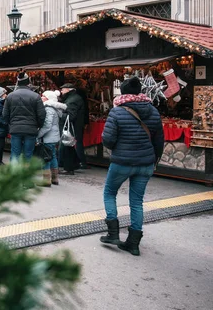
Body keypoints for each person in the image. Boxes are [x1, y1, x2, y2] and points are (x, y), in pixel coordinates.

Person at [99, 76, 163, 256]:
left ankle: (113, 233)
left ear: (123, 92)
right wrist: (154, 159)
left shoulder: (117, 111)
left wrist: (117, 148)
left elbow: (108, 139)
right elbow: (159, 140)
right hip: (146, 163)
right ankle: (133, 243)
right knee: (137, 201)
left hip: (122, 162)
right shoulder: (153, 110)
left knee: (110, 192)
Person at [3, 72, 46, 162]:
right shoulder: (36, 96)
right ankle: (26, 174)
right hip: (31, 129)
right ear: (28, 83)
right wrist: (38, 125)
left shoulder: (10, 96)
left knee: (15, 153)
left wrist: (11, 124)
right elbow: (41, 114)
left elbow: (5, 114)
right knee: (28, 154)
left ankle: (14, 174)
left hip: (15, 128)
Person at [36, 90, 66, 186]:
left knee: (46, 158)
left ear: (48, 99)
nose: (41, 97)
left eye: (43, 96)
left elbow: (47, 125)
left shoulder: (48, 109)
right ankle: (54, 178)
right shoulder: (54, 109)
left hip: (48, 137)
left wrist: (38, 135)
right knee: (52, 156)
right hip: (54, 136)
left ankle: (46, 180)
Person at [59, 83, 86, 175]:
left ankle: (68, 168)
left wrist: (59, 114)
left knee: (67, 147)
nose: (61, 91)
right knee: (68, 147)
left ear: (68, 89)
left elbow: (70, 116)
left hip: (71, 127)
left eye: (63, 89)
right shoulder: (73, 98)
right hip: (73, 126)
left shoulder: (72, 100)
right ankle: (74, 164)